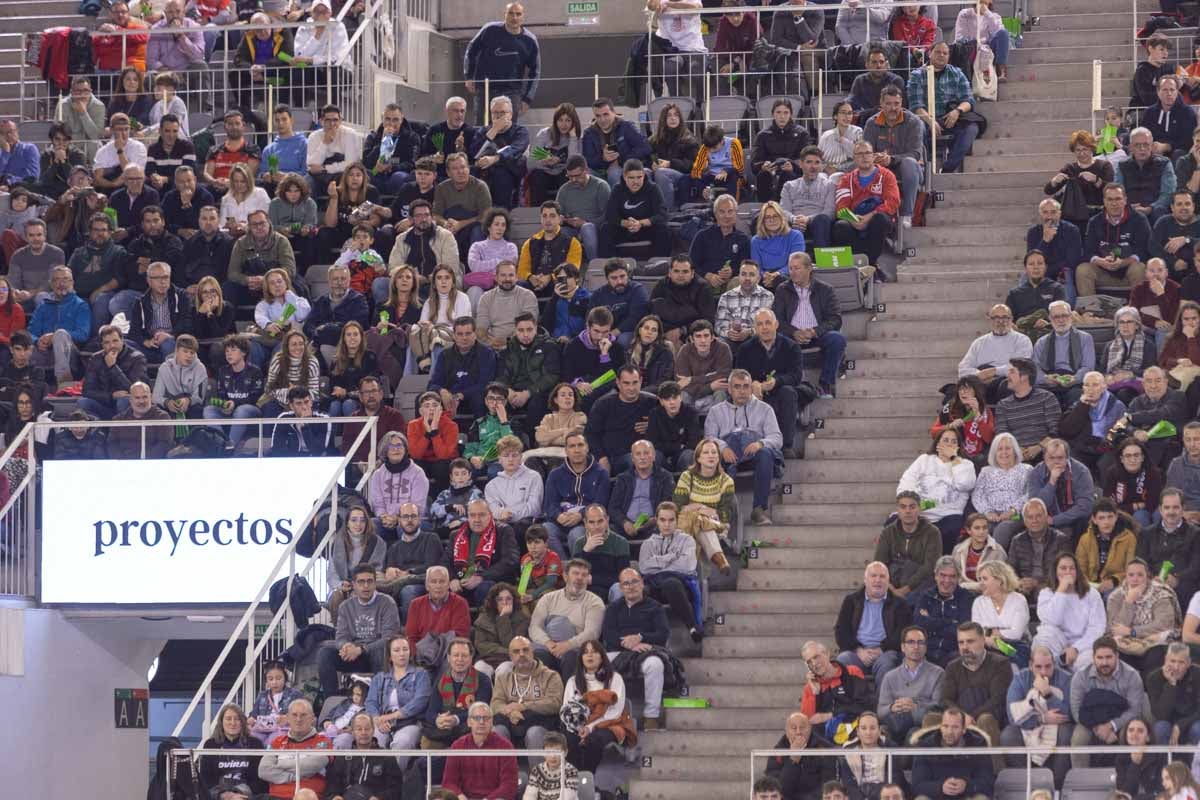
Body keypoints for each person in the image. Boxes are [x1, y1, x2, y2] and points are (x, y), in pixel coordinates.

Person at [704, 368, 783, 525]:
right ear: (729, 389)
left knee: (766, 454)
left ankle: (758, 510)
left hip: (753, 454)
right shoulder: (715, 411)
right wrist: (723, 447)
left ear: (751, 388)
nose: (742, 391)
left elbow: (777, 437)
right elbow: (708, 437)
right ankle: (720, 512)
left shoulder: (765, 409)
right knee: (711, 456)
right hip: (728, 455)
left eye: (746, 386)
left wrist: (760, 443)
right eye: (737, 386)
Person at [776, 251, 848, 400]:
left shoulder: (825, 289)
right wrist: (794, 332)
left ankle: (825, 385)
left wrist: (814, 332)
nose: (793, 272)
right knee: (775, 337)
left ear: (809, 269)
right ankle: (786, 384)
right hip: (791, 336)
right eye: (790, 268)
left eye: (797, 268)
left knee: (837, 339)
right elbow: (778, 319)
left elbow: (835, 319)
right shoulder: (782, 289)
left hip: (817, 335)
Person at [1069, 635, 1150, 767]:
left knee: (1132, 734)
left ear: (1117, 656)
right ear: (1093, 658)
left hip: (1122, 720)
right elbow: (1076, 711)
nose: (1104, 662)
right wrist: (1097, 728)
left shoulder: (1132, 675)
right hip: (1089, 721)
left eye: (1108, 657)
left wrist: (1111, 725)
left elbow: (1134, 710)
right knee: (1078, 739)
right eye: (1100, 658)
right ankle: (1080, 780)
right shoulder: (1081, 676)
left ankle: (1130, 778)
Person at [897, 428, 977, 554]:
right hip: (920, 512)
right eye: (945, 440)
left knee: (950, 529)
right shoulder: (924, 460)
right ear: (938, 444)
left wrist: (954, 458)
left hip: (948, 514)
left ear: (959, 446)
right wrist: (914, 505)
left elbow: (965, 484)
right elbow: (907, 481)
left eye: (954, 441)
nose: (949, 444)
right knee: (893, 524)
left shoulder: (965, 464)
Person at [561, 640, 633, 773]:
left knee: (593, 740)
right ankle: (574, 779)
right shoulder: (573, 681)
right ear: (581, 658)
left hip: (609, 724)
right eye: (585, 653)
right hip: (579, 725)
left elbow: (615, 712)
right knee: (569, 740)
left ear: (602, 656)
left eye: (594, 652)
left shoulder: (614, 679)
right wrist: (579, 728)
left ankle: (588, 778)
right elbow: (567, 710)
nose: (589, 656)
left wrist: (590, 727)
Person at [489, 634, 564, 764]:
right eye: (516, 652)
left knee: (534, 733)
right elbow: (495, 704)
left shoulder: (550, 676)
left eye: (525, 650)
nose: (521, 654)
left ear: (532, 652)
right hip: (511, 723)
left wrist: (524, 706)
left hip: (541, 724)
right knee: (497, 731)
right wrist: (509, 711)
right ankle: (503, 779)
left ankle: (539, 779)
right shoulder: (503, 678)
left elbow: (555, 703)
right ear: (511, 656)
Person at [938, 621, 1013, 750]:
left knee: (985, 719)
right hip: (959, 718)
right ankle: (935, 767)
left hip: (990, 717)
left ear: (983, 641)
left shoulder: (1000, 664)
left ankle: (994, 769)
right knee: (931, 719)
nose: (965, 647)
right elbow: (945, 699)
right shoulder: (952, 666)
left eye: (970, 641)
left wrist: (970, 717)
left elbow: (997, 700)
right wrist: (961, 717)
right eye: (961, 642)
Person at [907, 42, 979, 174]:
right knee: (918, 127)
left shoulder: (957, 73)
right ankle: (924, 168)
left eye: (945, 53)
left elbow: (968, 100)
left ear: (949, 56)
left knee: (971, 128)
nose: (941, 55)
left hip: (950, 117)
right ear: (930, 53)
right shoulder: (917, 75)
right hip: (926, 119)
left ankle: (948, 168)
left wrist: (957, 111)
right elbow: (915, 105)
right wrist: (930, 121)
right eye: (938, 52)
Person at [836, 562, 912, 680]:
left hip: (885, 652)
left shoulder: (899, 604)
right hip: (857, 653)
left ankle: (883, 699)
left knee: (888, 663)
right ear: (865, 580)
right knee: (842, 660)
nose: (878, 580)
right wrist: (858, 650)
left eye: (882, 576)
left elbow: (903, 633)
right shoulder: (851, 601)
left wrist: (881, 649)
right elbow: (841, 631)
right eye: (873, 576)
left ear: (888, 581)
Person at [463, 2, 540, 120]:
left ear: (523, 16)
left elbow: (535, 72)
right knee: (481, 128)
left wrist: (527, 99)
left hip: (512, 92)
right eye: (511, 13)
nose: (514, 17)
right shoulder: (490, 30)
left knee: (509, 131)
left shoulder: (530, 40)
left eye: (518, 14)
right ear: (504, 14)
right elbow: (471, 50)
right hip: (486, 88)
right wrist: (469, 76)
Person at [1032, 551, 1107, 671]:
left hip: (1082, 644)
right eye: (1063, 568)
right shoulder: (1046, 593)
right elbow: (1052, 620)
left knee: (1087, 664)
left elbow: (1097, 628)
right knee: (1042, 644)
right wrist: (1061, 590)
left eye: (1072, 568)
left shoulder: (1092, 594)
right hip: (1055, 640)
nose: (1068, 572)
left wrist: (1076, 648)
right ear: (1055, 571)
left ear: (1077, 571)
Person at [1108, 558, 1181, 672]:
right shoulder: (1116, 596)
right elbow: (1116, 628)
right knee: (1118, 658)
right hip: (1125, 644)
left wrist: (1133, 631)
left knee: (1154, 658)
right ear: (1125, 577)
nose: (1135, 579)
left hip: (1154, 643)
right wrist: (1129, 601)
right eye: (1131, 575)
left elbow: (1163, 624)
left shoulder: (1161, 593)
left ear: (1148, 576)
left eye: (1140, 575)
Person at [831, 141, 898, 266]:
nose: (864, 156)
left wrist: (870, 216)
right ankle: (858, 266)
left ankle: (872, 265)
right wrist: (853, 221)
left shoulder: (887, 176)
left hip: (877, 217)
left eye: (867, 153)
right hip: (854, 219)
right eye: (860, 154)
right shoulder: (846, 179)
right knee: (841, 226)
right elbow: (841, 207)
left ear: (873, 156)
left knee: (880, 219)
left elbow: (893, 202)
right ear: (854, 159)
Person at [877, 624, 945, 745]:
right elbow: (880, 711)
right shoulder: (890, 676)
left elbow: (939, 706)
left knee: (913, 734)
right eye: (911, 642)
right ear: (903, 647)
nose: (916, 647)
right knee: (882, 734)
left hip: (921, 724)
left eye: (921, 642)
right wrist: (892, 707)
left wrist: (915, 706)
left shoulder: (938, 673)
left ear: (926, 647)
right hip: (895, 724)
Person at [584, 365, 657, 476]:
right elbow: (591, 434)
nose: (631, 388)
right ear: (618, 383)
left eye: (635, 382)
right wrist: (601, 457)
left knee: (656, 458)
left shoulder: (653, 402)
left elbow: (669, 426)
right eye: (626, 383)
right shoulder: (603, 404)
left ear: (641, 381)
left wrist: (653, 426)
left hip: (643, 456)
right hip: (612, 458)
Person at [910, 707, 995, 800]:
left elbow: (988, 783)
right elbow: (917, 785)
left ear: (964, 729)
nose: (949, 732)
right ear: (941, 727)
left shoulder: (978, 745)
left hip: (968, 796)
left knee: (981, 798)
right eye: (945, 726)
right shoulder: (926, 745)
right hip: (936, 796)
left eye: (955, 727)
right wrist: (940, 787)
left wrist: (966, 786)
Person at [441, 702, 519, 800]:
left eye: (486, 718)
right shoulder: (458, 746)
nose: (481, 722)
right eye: (477, 718)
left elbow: (509, 785)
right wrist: (460, 796)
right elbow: (448, 782)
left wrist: (487, 799)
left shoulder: (505, 746)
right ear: (469, 722)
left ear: (492, 722)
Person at [958, 305, 1035, 405]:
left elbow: (1020, 367)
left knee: (1006, 386)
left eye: (1004, 317)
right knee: (952, 392)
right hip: (981, 382)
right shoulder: (979, 342)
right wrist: (980, 375)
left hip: (1006, 380)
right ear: (990, 320)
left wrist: (994, 372)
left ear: (1011, 319)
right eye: (996, 318)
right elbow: (963, 368)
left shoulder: (1022, 340)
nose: (1000, 321)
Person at [256, 699, 332, 799]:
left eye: (303, 715)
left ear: (313, 718)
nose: (298, 719)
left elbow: (311, 766)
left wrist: (279, 764)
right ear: (287, 718)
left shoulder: (323, 741)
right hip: (275, 797)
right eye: (294, 715)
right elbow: (263, 770)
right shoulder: (277, 741)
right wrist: (294, 777)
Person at [1138, 487, 1200, 608]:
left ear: (1183, 509)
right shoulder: (1147, 533)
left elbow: (1196, 566)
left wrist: (1177, 579)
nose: (1171, 512)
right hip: (1152, 583)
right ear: (1160, 510)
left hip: (1184, 587)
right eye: (1167, 507)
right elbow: (1141, 562)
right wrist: (1152, 578)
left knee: (1186, 589)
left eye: (1175, 507)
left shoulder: (1196, 534)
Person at [875, 491, 941, 602]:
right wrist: (892, 590)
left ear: (919, 509)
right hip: (892, 582)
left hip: (919, 582)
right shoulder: (888, 532)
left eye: (912, 507)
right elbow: (879, 564)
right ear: (898, 511)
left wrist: (904, 590)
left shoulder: (932, 532)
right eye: (903, 507)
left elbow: (930, 566)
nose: (907, 511)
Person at [28, 266, 89, 386]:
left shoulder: (81, 305)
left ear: (72, 282)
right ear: (51, 284)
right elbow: (30, 332)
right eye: (56, 280)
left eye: (65, 279)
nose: (61, 283)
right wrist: (37, 341)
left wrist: (55, 336)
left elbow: (83, 334)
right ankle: (25, 386)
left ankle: (63, 383)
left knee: (60, 334)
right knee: (22, 345)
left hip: (70, 356)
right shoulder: (43, 306)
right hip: (44, 353)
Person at [427, 315, 496, 418]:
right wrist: (442, 391)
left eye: (468, 333)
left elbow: (485, 384)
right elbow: (433, 383)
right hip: (449, 399)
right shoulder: (444, 355)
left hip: (473, 398)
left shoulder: (487, 353)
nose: (464, 338)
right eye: (460, 334)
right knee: (424, 400)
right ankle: (427, 433)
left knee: (480, 398)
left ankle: (479, 433)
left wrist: (461, 395)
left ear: (475, 334)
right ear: (454, 336)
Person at [1031, 300, 1096, 409]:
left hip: (1075, 382)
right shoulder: (1041, 342)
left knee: (1077, 397)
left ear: (1071, 317)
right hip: (1049, 382)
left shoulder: (1085, 338)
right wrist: (1046, 378)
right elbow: (1034, 369)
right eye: (1056, 317)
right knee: (1038, 397)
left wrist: (1075, 379)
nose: (1061, 320)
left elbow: (1088, 367)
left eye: (1064, 315)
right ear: (1050, 319)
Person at [386, 199, 459, 292]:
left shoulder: (446, 236)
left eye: (426, 215)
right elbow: (394, 267)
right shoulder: (402, 239)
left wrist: (428, 279)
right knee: (381, 283)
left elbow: (451, 267)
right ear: (411, 219)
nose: (424, 219)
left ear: (432, 217)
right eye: (419, 216)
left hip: (436, 284)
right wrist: (411, 278)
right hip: (409, 284)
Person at [1007, 497, 1073, 601]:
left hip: (1050, 586)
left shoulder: (1061, 539)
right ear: (1024, 521)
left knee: (1042, 593)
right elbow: (1010, 570)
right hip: (1023, 587)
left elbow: (1066, 572)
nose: (1035, 520)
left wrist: (1037, 582)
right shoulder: (1017, 540)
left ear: (1046, 517)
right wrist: (1019, 582)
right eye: (1030, 517)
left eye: (1038, 516)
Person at [601, 158, 669, 258]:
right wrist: (627, 223)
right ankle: (609, 265)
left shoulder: (653, 189)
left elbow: (662, 215)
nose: (636, 182)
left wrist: (640, 223)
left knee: (663, 229)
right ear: (624, 177)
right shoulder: (617, 189)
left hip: (646, 228)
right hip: (624, 229)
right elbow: (610, 215)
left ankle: (660, 262)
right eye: (631, 178)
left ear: (644, 176)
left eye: (639, 177)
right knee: (606, 228)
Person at [563, 306, 626, 412]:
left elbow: (612, 378)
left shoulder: (616, 348)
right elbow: (566, 374)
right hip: (582, 390)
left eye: (605, 332)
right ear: (588, 327)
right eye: (596, 331)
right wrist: (577, 384)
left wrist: (604, 354)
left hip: (606, 391)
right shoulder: (573, 346)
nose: (600, 336)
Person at [79, 324, 148, 420]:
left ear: (122, 340)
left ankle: (122, 432)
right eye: (107, 342)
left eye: (115, 341)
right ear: (102, 345)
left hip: (128, 407)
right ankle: (99, 432)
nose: (112, 345)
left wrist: (113, 367)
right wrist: (111, 396)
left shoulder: (137, 358)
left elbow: (136, 391)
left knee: (123, 400)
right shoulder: (95, 358)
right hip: (105, 404)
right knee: (83, 402)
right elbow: (87, 391)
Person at [199, 705, 267, 797]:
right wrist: (225, 795)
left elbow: (259, 780)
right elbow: (206, 779)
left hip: (246, 795)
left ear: (242, 722)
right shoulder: (210, 744)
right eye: (228, 719)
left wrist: (238, 794)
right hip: (219, 796)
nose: (233, 723)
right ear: (221, 722)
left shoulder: (255, 744)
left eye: (237, 719)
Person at [582, 97, 651, 187]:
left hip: (624, 167)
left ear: (613, 113)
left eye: (606, 114)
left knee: (614, 172)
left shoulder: (626, 127)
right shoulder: (589, 133)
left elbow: (645, 147)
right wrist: (603, 158)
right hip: (599, 169)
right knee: (585, 175)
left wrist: (620, 160)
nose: (602, 120)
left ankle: (617, 200)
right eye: (598, 116)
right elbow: (588, 160)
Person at [763, 712, 834, 800]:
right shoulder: (778, 752)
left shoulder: (825, 748)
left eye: (802, 727)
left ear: (810, 728)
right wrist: (793, 760)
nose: (798, 732)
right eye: (793, 728)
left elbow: (829, 786)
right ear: (787, 731)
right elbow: (777, 790)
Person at [801, 640, 872, 727]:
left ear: (827, 653)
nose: (814, 663)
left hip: (853, 729)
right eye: (809, 662)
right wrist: (815, 693)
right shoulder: (810, 688)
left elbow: (864, 705)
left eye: (816, 657)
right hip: (824, 736)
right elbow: (806, 723)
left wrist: (830, 715)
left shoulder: (852, 672)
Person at [687, 193, 749, 292]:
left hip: (732, 283)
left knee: (738, 282)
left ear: (735, 214)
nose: (726, 216)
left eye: (730, 211)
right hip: (705, 281)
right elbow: (690, 264)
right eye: (722, 212)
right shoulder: (702, 236)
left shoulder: (743, 239)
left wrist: (732, 272)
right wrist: (708, 275)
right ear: (716, 214)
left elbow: (747, 266)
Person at [752, 99, 810, 204]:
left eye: (786, 112)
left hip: (793, 172)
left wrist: (794, 166)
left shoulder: (802, 133)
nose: (782, 116)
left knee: (787, 174)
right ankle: (766, 208)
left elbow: (807, 159)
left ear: (791, 114)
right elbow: (755, 162)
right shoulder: (763, 135)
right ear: (773, 114)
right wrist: (763, 166)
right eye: (778, 112)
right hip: (771, 171)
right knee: (763, 175)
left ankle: (783, 209)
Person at [1115, 128, 1176, 225]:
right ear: (1130, 147)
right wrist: (1128, 206)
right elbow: (1117, 192)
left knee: (1160, 212)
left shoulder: (1164, 163)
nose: (1142, 149)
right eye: (1137, 145)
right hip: (1129, 209)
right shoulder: (1122, 165)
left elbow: (1168, 193)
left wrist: (1151, 208)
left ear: (1152, 146)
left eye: (1146, 145)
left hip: (1155, 210)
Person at [570, 504, 631, 600]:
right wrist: (586, 551)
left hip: (611, 588)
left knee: (619, 589)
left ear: (607, 520)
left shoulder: (621, 542)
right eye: (591, 522)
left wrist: (593, 579)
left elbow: (623, 579)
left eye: (600, 521)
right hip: (587, 590)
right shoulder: (580, 543)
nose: (596, 526)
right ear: (585, 523)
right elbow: (576, 576)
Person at [485, 434, 544, 531]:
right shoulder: (491, 486)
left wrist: (511, 514)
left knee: (522, 525)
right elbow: (493, 509)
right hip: (503, 525)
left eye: (514, 455)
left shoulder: (534, 477)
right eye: (506, 455)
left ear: (521, 457)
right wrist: (501, 514)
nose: (510, 459)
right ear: (499, 459)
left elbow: (534, 508)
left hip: (527, 525)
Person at [528, 103, 583, 205]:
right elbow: (530, 163)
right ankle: (538, 213)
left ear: (574, 122)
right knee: (537, 176)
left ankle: (565, 213)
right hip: (544, 172)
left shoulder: (576, 138)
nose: (564, 124)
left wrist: (573, 138)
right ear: (555, 121)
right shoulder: (544, 134)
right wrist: (543, 162)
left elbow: (574, 165)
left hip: (563, 173)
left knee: (568, 177)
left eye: (568, 120)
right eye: (560, 120)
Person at [647, 102, 699, 212]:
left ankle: (666, 212)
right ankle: (644, 211)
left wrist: (670, 164)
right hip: (659, 171)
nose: (673, 118)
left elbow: (692, 164)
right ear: (663, 119)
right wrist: (651, 164)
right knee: (644, 172)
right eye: (669, 116)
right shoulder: (655, 139)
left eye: (676, 115)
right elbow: (646, 156)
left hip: (682, 175)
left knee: (662, 173)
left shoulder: (689, 139)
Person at [556, 155, 609, 262]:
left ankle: (594, 264)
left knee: (587, 228)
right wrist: (560, 219)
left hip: (595, 228)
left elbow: (608, 215)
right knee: (558, 232)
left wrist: (585, 222)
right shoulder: (564, 190)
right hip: (571, 228)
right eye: (570, 176)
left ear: (586, 170)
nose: (573, 179)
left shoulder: (600, 186)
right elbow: (556, 213)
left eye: (577, 176)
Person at [1146, 643, 1200, 744]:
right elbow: (1160, 714)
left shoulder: (1198, 674)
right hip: (1167, 722)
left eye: (1181, 662)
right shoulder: (1153, 678)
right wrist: (1171, 684)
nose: (1176, 667)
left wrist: (1180, 725)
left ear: (1189, 663)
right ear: (1165, 660)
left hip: (1192, 720)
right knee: (1160, 729)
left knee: (1198, 729)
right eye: (1172, 661)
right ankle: (1163, 760)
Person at [1103, 438, 1164, 527]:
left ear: (1142, 457)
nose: (1132, 460)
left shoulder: (1153, 473)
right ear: (1121, 459)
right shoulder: (1112, 473)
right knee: (1139, 516)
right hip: (1121, 514)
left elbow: (1153, 503)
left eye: (1136, 455)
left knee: (1155, 514)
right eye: (1128, 456)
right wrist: (1136, 506)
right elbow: (1108, 504)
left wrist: (1126, 506)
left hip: (1149, 511)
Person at [476, 260, 537, 347]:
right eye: (503, 275)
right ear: (496, 277)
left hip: (521, 344)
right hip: (492, 345)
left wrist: (507, 342)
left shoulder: (528, 296)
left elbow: (527, 326)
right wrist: (489, 342)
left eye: (511, 275)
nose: (507, 279)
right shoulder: (486, 297)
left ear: (517, 277)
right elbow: (481, 328)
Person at [306, 104, 362, 198]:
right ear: (321, 121)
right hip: (319, 177)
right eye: (328, 120)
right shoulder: (314, 136)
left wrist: (325, 168)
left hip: (341, 174)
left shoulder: (350, 134)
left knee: (348, 179)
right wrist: (325, 143)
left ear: (340, 121)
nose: (332, 124)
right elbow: (312, 166)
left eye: (335, 120)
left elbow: (351, 164)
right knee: (307, 184)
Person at [203, 111, 262, 198]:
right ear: (225, 127)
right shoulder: (214, 150)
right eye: (230, 124)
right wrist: (215, 182)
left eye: (237, 123)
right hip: (217, 188)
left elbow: (249, 174)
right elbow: (207, 174)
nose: (234, 127)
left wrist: (230, 183)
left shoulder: (253, 149)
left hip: (241, 188)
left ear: (243, 126)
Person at [259, 106, 310, 195]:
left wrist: (286, 176)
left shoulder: (304, 144)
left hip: (297, 185)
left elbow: (306, 172)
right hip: (273, 186)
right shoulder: (269, 149)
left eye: (284, 119)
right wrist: (265, 176)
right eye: (277, 120)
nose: (280, 123)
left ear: (291, 121)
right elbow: (262, 172)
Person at [1151, 192, 1200, 282]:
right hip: (1168, 273)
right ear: (1172, 208)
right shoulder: (1163, 222)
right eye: (1179, 204)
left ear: (1193, 206)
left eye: (1187, 204)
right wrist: (1173, 262)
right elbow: (1153, 247)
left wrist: (1186, 240)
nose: (1184, 208)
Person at [1115, 717, 1167, 800]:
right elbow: (1124, 794)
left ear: (1148, 737)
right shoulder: (1121, 758)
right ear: (1126, 735)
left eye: (1140, 731)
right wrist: (1135, 764)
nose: (1134, 734)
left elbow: (1160, 791)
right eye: (1131, 730)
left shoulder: (1159, 756)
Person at [820, 102, 865, 175]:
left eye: (850, 113)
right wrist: (826, 167)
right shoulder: (826, 135)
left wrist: (844, 141)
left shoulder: (858, 131)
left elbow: (860, 156)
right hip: (828, 173)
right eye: (843, 113)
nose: (847, 116)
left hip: (849, 173)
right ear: (835, 116)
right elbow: (819, 158)